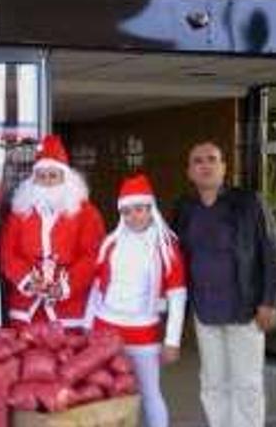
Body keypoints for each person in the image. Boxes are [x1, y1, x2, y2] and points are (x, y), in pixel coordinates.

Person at [173, 141, 276, 427]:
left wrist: (269, 301)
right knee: (213, 383)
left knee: (247, 384)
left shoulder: (249, 202)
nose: (205, 165)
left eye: (212, 159)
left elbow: (272, 251)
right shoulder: (185, 208)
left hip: (244, 309)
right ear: (189, 172)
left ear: (224, 167)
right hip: (205, 311)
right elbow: (177, 257)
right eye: (198, 161)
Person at [88, 172, 187, 427]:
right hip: (105, 330)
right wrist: (87, 330)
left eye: (140, 209)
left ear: (150, 208)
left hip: (144, 333)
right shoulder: (110, 243)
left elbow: (178, 296)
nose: (134, 216)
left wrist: (172, 340)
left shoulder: (166, 245)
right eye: (128, 211)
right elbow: (97, 289)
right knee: (106, 395)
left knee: (150, 393)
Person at [0, 134, 106, 329]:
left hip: (70, 309)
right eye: (41, 176)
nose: (47, 181)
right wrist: (28, 280)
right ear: (34, 179)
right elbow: (7, 253)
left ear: (66, 178)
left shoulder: (87, 214)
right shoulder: (20, 211)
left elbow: (93, 255)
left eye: (53, 175)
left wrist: (65, 286)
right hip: (26, 309)